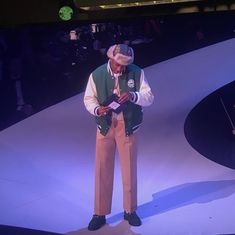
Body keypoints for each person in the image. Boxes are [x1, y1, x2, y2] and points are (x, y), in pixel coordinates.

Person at [84, 44, 154, 231]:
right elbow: (89, 99)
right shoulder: (96, 75)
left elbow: (149, 97)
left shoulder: (136, 72)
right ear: (111, 59)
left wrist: (133, 95)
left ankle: (129, 210)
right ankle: (99, 213)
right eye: (118, 64)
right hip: (105, 125)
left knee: (129, 167)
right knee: (102, 168)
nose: (121, 68)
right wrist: (98, 109)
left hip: (127, 125)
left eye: (125, 65)